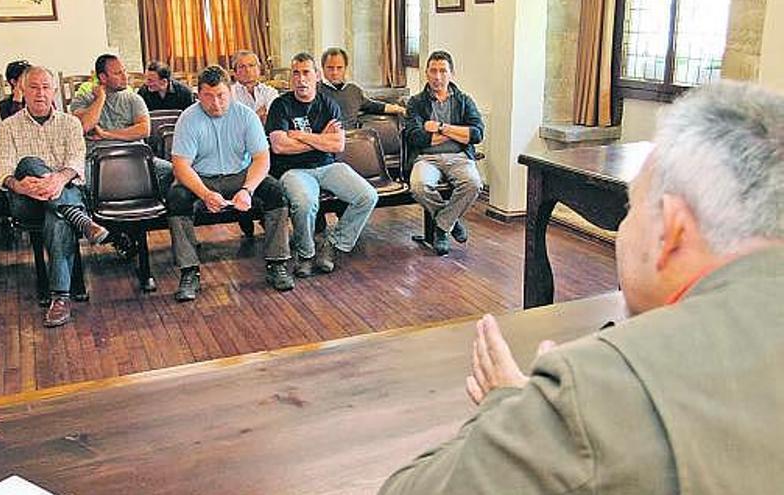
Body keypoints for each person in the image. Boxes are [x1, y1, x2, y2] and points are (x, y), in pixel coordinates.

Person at [379, 81, 784, 494]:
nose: (624, 229)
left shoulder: (596, 390)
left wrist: (516, 412)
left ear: (672, 231)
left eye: (632, 209)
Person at [167, 65, 295, 300]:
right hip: (202, 178)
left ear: (231, 92)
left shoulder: (246, 116)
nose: (215, 103)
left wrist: (248, 189)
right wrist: (205, 194)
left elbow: (261, 158)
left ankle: (277, 263)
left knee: (275, 191)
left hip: (239, 176)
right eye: (208, 96)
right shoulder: (188, 119)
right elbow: (181, 166)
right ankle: (189, 271)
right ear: (198, 94)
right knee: (176, 198)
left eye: (221, 96)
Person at [0, 66, 109, 327]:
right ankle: (81, 219)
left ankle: (60, 298)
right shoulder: (8, 127)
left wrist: (57, 180)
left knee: (56, 219)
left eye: (46, 87)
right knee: (30, 163)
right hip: (25, 202)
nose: (40, 93)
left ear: (54, 91)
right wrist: (21, 186)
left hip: (63, 193)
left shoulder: (71, 124)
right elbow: (2, 169)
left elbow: (76, 163)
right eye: (33, 87)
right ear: (22, 91)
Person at [266, 52, 378, 278]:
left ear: (316, 76)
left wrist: (301, 136)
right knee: (305, 203)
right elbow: (279, 147)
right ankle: (306, 254)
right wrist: (320, 139)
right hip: (293, 170)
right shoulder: (280, 105)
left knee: (367, 196)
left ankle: (333, 245)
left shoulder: (329, 105)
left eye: (306, 72)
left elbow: (337, 145)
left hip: (329, 167)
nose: (301, 79)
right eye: (295, 73)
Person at [403, 50, 484, 256]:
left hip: (459, 157)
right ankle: (451, 222)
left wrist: (440, 127)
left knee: (473, 184)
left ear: (452, 74)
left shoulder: (464, 101)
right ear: (426, 74)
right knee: (419, 186)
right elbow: (415, 136)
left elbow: (476, 134)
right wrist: (458, 132)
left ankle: (440, 227)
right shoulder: (416, 102)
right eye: (433, 71)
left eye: (443, 71)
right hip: (426, 157)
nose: (438, 77)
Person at [70, 54, 174, 196]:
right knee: (79, 182)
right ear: (103, 78)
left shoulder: (134, 98)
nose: (125, 76)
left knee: (172, 171)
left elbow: (144, 130)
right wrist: (101, 98)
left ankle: (146, 202)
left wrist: (106, 134)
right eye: (118, 73)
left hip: (136, 157)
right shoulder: (83, 99)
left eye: (124, 71)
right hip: (99, 161)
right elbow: (85, 126)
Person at [318, 47, 405, 130]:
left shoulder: (353, 90)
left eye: (339, 68)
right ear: (322, 68)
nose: (335, 72)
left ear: (345, 68)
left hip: (354, 139)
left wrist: (400, 109)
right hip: (326, 140)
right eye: (330, 68)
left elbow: (375, 106)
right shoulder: (314, 91)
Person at [230, 50, 278, 124]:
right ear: (235, 73)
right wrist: (259, 114)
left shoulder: (270, 92)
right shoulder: (229, 94)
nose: (248, 70)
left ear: (259, 69)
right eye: (242, 66)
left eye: (251, 65)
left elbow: (273, 120)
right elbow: (234, 124)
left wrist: (247, 118)